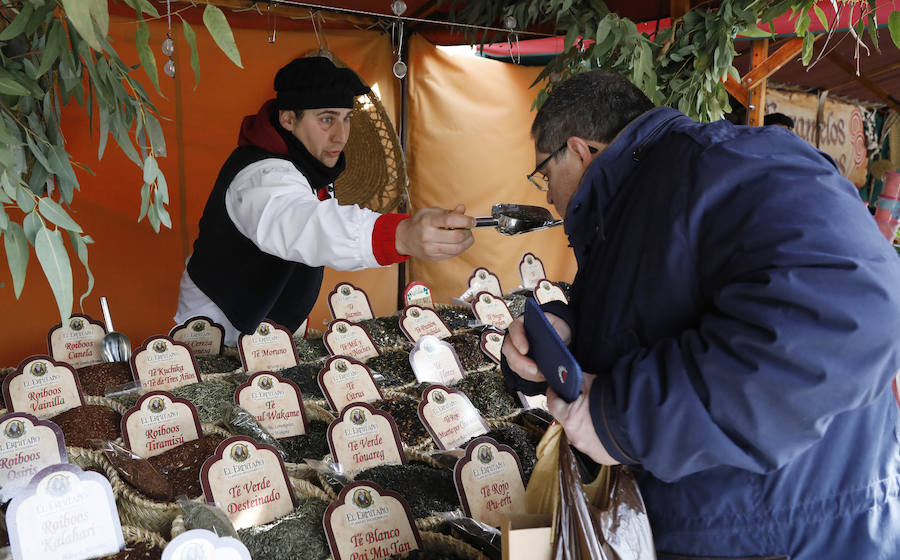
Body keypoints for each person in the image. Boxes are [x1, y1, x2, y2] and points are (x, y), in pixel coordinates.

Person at [502, 70, 900, 559]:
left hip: (783, 537)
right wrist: (566, 334)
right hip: (713, 529)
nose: (546, 195)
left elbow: (854, 315)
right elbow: (670, 314)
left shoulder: (725, 164)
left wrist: (625, 420)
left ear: (580, 150)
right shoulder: (634, 203)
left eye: (545, 174)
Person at [175, 56, 475, 344]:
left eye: (346, 119)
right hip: (219, 324)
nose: (341, 136)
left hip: (269, 327)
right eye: (327, 119)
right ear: (288, 119)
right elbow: (305, 225)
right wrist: (399, 235)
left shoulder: (308, 162)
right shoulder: (261, 175)